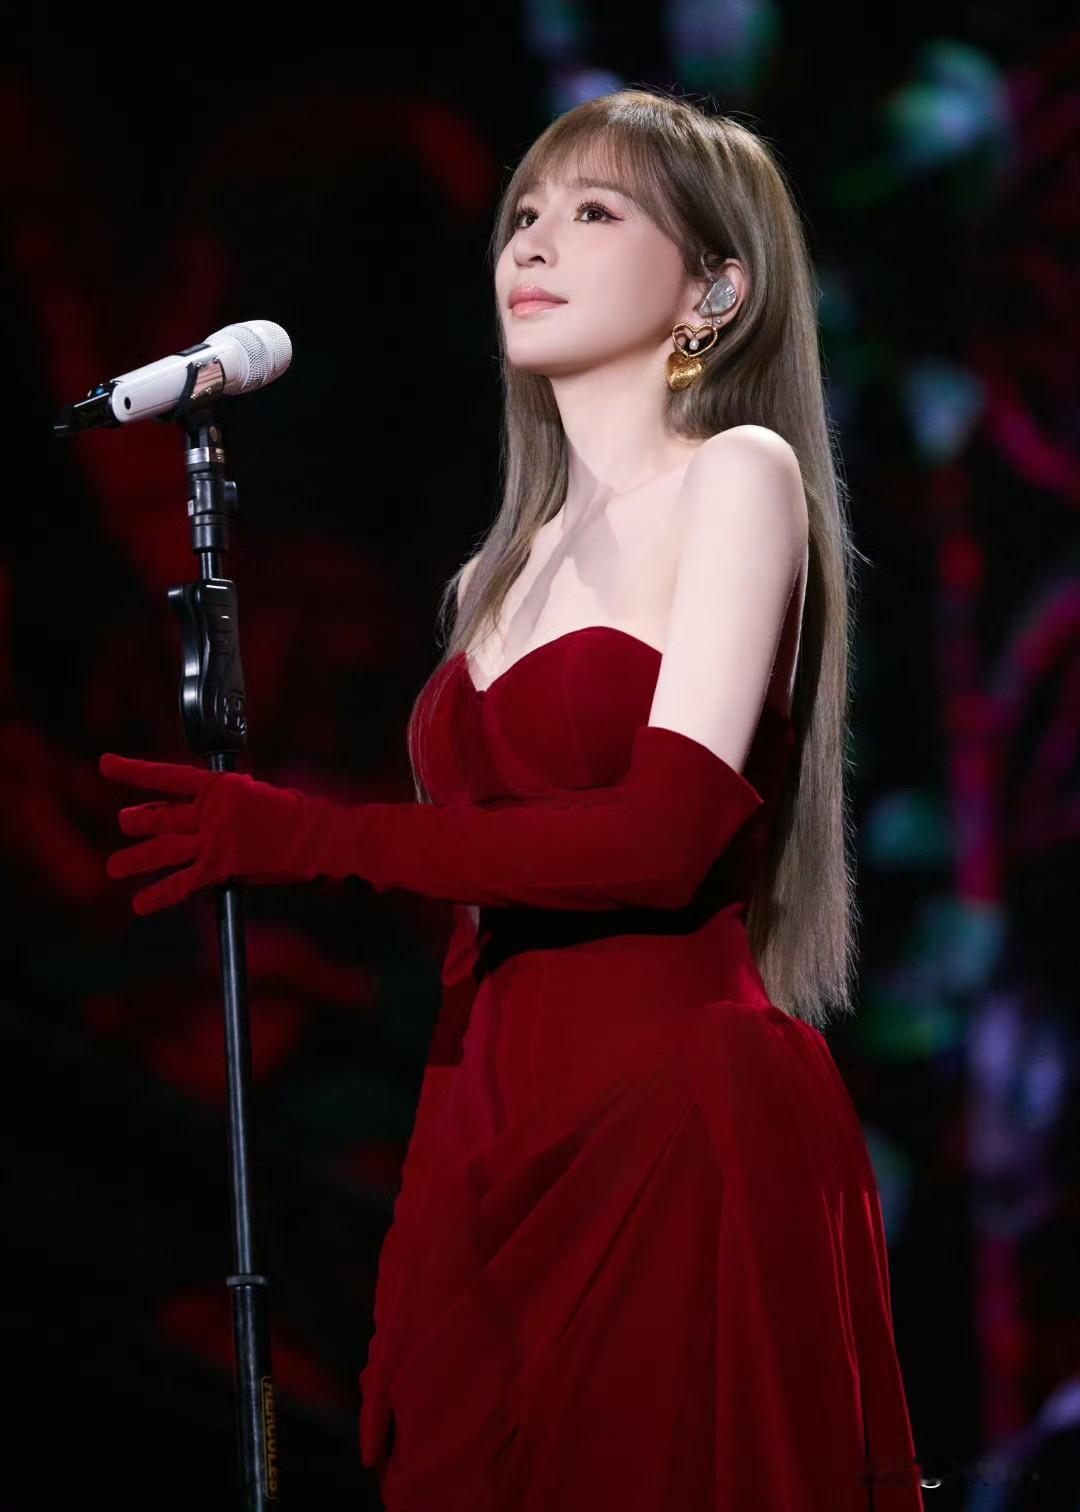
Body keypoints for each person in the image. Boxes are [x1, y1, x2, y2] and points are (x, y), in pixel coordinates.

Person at [100, 88, 926, 1511]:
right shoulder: (500, 567)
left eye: (595, 213)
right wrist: (429, 1211)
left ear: (716, 290)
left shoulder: (739, 476)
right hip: (495, 1127)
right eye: (525, 213)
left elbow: (663, 840)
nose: (531, 244)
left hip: (671, 1121)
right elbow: (483, 927)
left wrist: (311, 834)